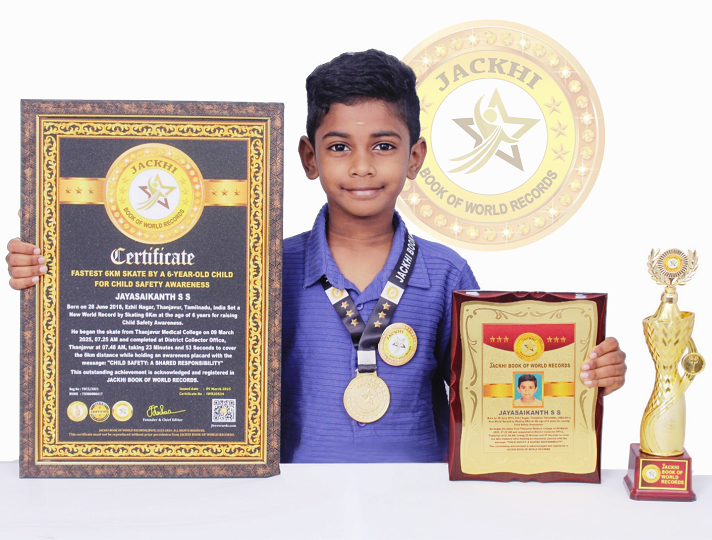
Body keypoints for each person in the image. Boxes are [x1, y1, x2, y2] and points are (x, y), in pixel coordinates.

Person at [6, 49, 627, 463]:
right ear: (309, 158)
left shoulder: (445, 274)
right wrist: (55, 271)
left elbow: (491, 394)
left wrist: (580, 374)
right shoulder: (261, 267)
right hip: (287, 502)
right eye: (338, 146)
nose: (361, 166)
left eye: (383, 145)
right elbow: (163, 329)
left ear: (414, 157)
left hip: (423, 506)